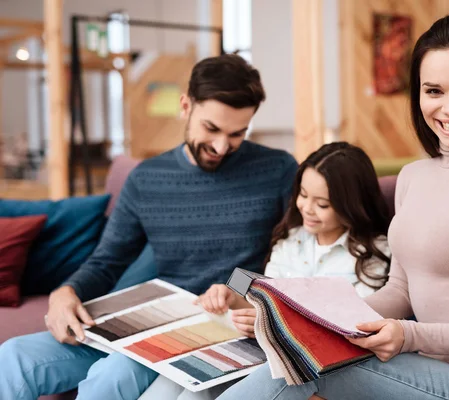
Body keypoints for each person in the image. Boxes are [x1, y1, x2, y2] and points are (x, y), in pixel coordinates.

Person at [217, 13, 449, 400]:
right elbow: (401, 291)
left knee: (306, 368)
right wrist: (317, 318)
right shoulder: (413, 177)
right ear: (419, 96)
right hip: (416, 370)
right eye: (434, 91)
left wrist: (410, 334)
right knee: (299, 350)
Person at [0, 54, 298, 400]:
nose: (221, 147)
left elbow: (291, 264)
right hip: (156, 320)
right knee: (13, 357)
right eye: (211, 129)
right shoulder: (147, 179)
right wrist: (66, 291)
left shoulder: (277, 170)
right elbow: (107, 260)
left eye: (237, 133)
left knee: (113, 373)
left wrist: (239, 288)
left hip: (224, 326)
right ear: (186, 106)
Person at [144, 141, 393, 399]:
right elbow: (266, 294)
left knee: (195, 393)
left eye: (322, 204)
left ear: (352, 204)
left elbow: (356, 328)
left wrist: (272, 325)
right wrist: (234, 297)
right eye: (303, 195)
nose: (306, 208)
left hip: (316, 368)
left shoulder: (373, 255)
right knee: (178, 381)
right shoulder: (290, 239)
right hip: (261, 353)